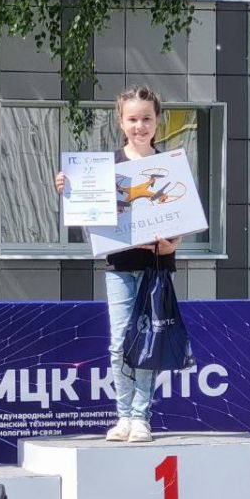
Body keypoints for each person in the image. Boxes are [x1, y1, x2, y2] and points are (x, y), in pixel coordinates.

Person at [56, 86, 181, 442]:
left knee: (149, 341)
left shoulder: (171, 165)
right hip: (119, 266)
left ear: (157, 121)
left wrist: (173, 244)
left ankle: (141, 418)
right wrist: (68, 189)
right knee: (119, 342)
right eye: (133, 119)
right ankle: (123, 416)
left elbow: (180, 219)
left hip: (156, 267)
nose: (140, 126)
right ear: (121, 122)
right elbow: (87, 213)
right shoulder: (103, 167)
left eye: (146, 119)